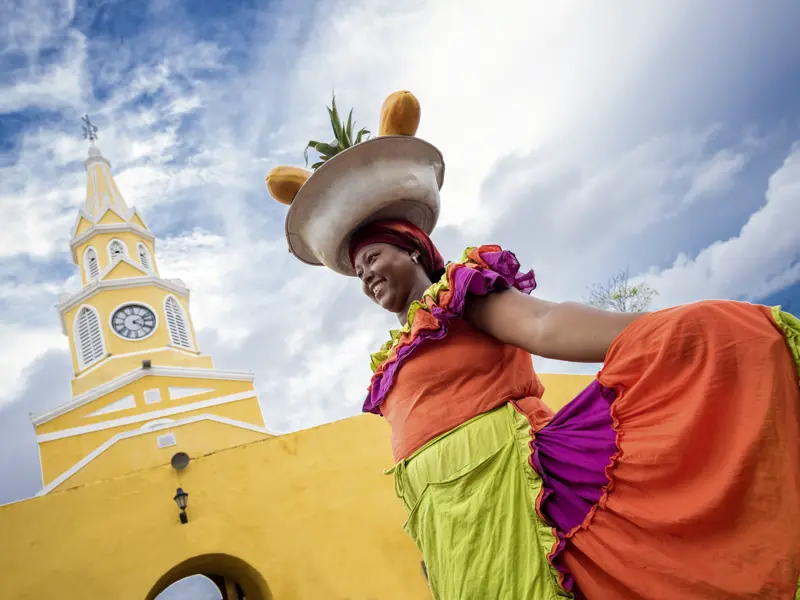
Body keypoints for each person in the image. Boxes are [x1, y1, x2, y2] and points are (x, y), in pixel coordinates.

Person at [267, 91, 800, 599]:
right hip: (450, 528)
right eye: (357, 270)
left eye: (374, 258)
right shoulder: (394, 360)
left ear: (415, 250)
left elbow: (545, 325)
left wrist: (662, 331)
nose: (365, 277)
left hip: (511, 491)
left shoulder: (460, 296)